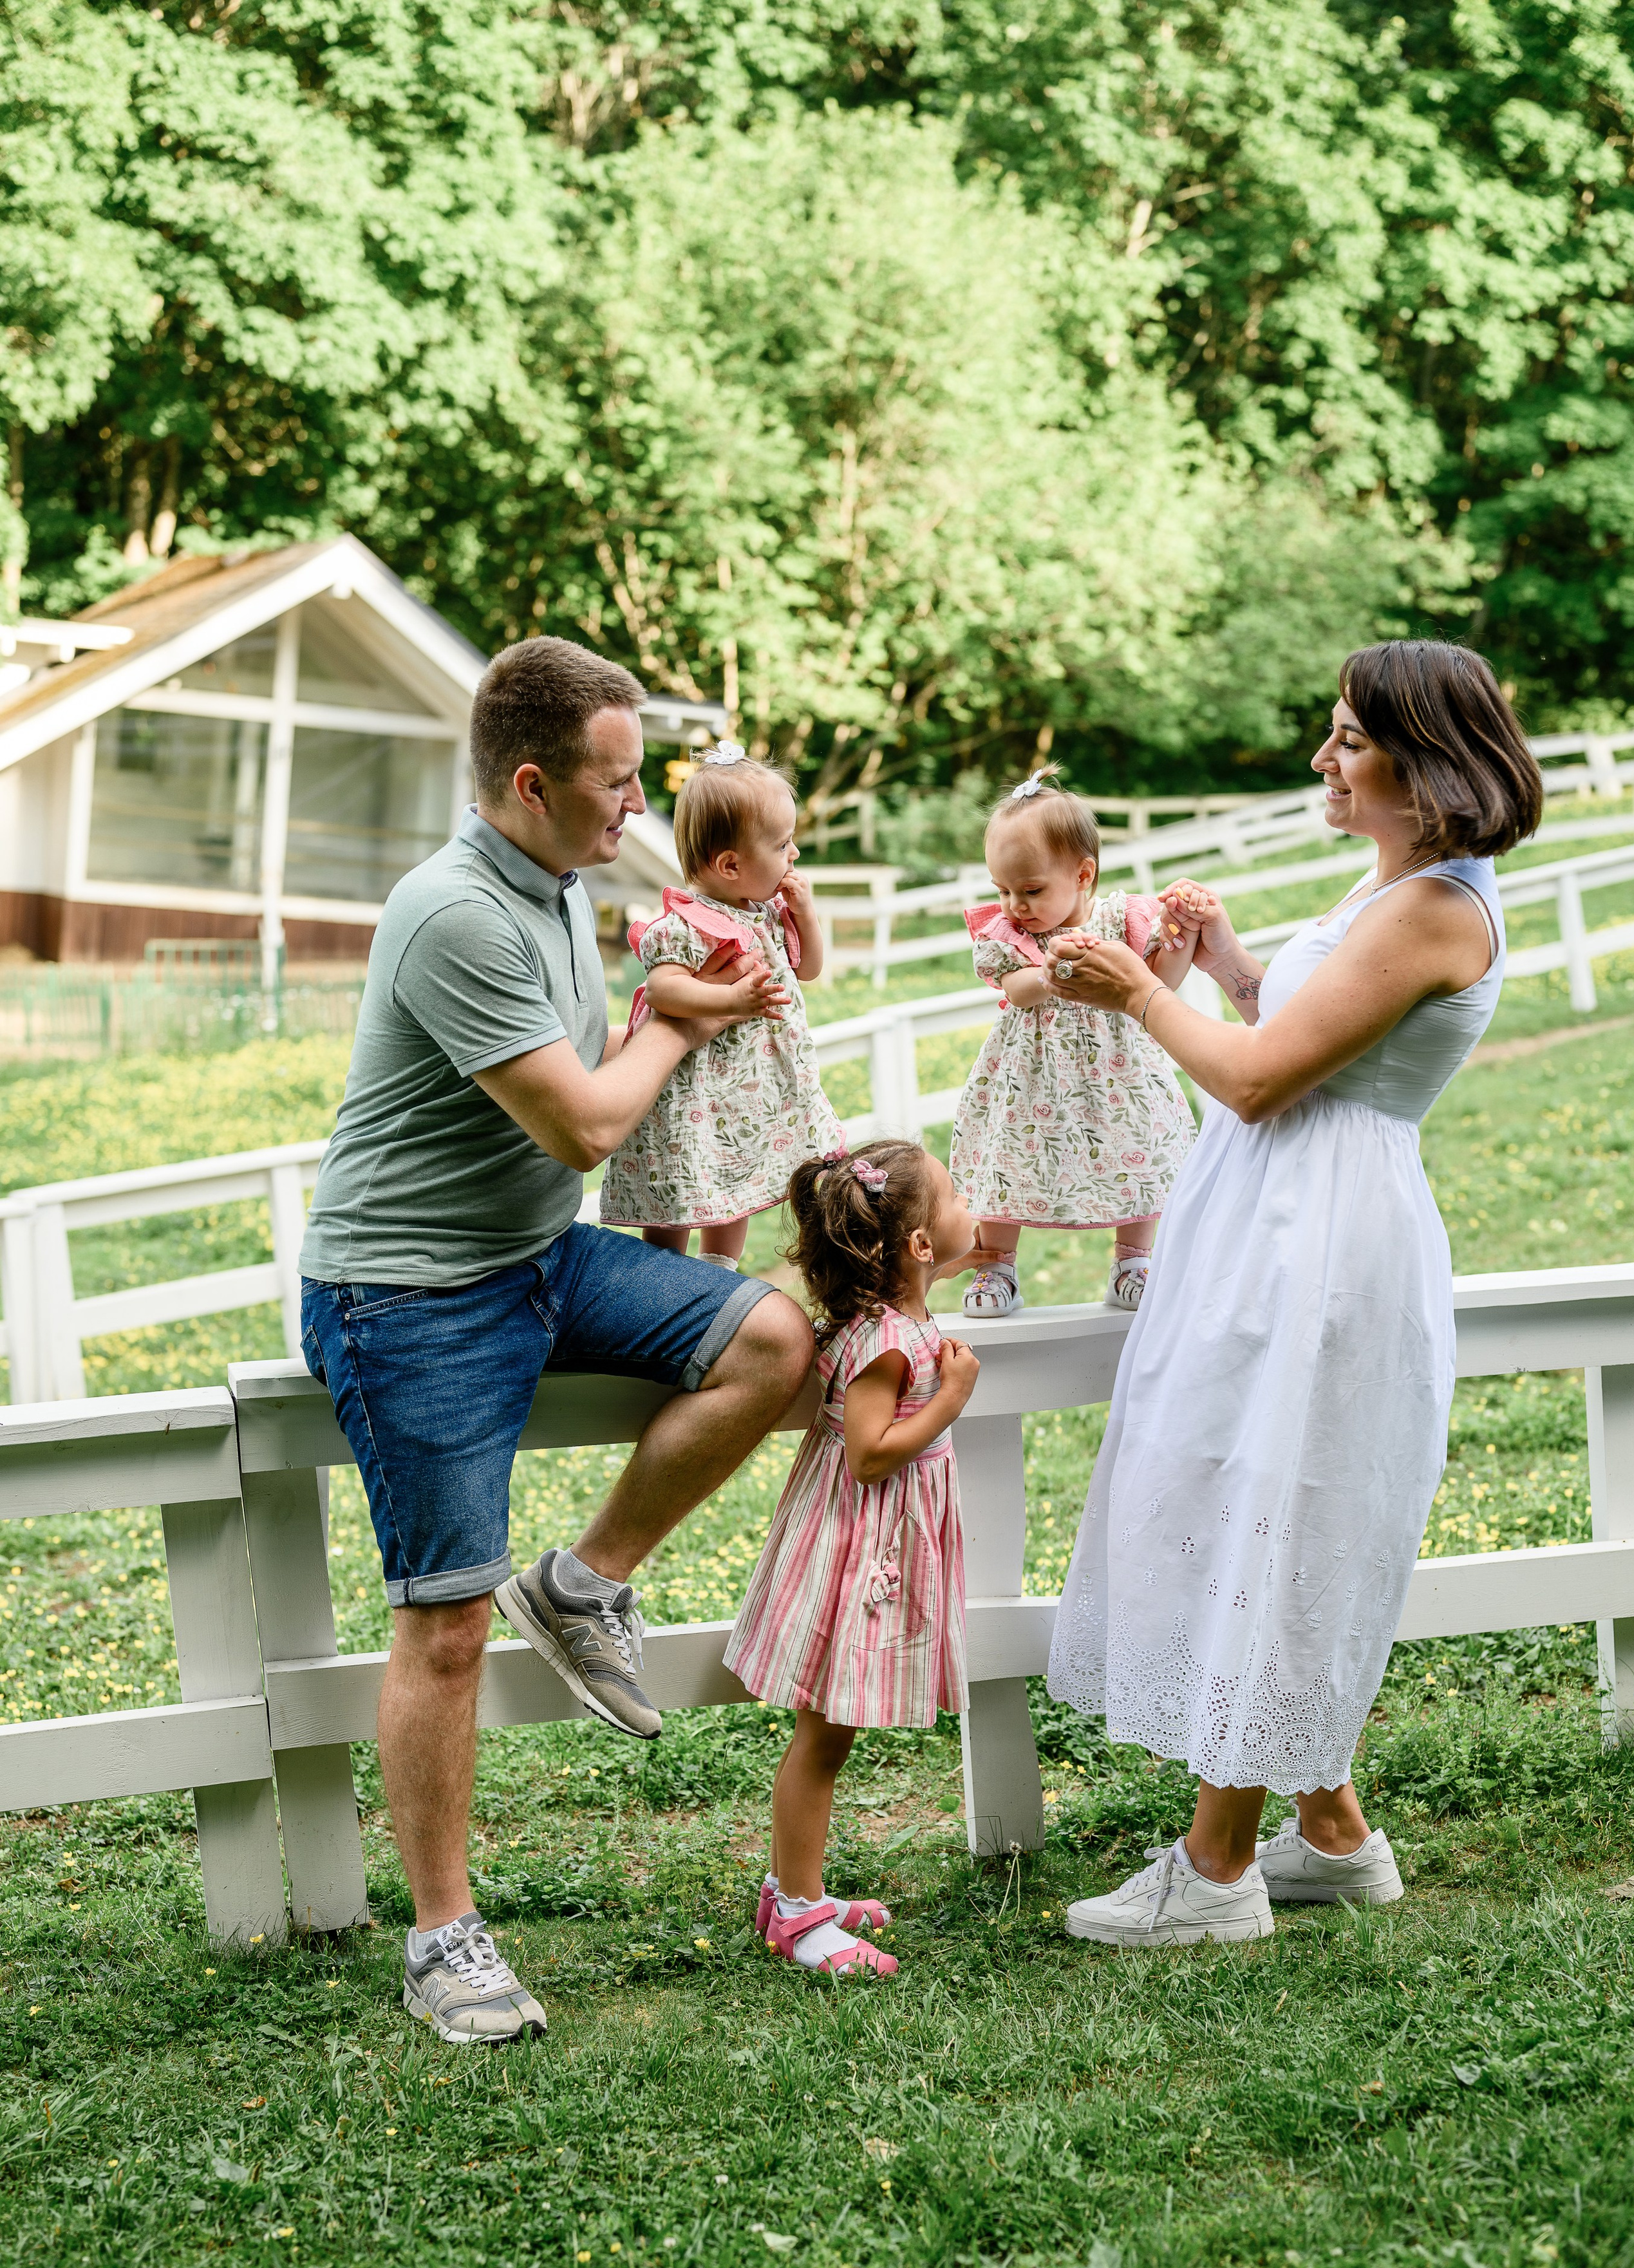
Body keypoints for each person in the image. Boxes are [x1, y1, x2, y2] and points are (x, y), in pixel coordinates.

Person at [298, 637, 816, 2041]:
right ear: (530, 785)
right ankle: (443, 1938)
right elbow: (587, 1120)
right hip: (404, 1294)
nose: (637, 809)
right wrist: (662, 1013)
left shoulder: (557, 882)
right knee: (446, 1622)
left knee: (777, 1343)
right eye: (616, 783)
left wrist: (726, 972)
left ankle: (585, 1583)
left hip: (537, 1258)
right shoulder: (453, 911)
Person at [1042, 639, 1540, 1947]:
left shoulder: (1438, 908)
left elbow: (1261, 1082)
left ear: (1420, 763)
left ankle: (1214, 1876)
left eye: (1345, 740)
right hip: (1273, 1218)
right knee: (1246, 1490)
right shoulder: (1392, 890)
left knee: (1282, 1505)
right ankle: (1329, 1835)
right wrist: (1224, 967)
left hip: (1324, 1239)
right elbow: (1292, 1033)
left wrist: (1139, 989)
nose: (1322, 759)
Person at [722, 1141, 984, 1973]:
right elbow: (871, 1454)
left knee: (827, 1733)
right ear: (919, 1246)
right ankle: (797, 1915)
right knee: (825, 1735)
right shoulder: (890, 1341)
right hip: (854, 1560)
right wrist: (949, 1401)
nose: (965, 1199)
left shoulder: (890, 1326)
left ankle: (792, 1893)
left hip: (865, 1549)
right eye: (951, 1193)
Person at [950, 768, 1199, 1320]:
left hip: (1119, 1069)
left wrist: (1182, 934)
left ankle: (1133, 1261)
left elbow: (1162, 978)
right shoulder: (1010, 934)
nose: (1015, 903)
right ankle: (998, 1266)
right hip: (1030, 1074)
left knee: (1138, 1149)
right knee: (1009, 1158)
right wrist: (1052, 970)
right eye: (1003, 890)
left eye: (1031, 890)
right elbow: (1015, 989)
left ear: (1082, 873)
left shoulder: (1121, 918)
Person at [599, 740, 843, 1262]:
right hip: (696, 1093)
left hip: (750, 1094)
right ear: (730, 864)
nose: (793, 855)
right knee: (685, 1183)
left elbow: (811, 969)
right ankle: (663, 1274)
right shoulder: (687, 924)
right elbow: (666, 989)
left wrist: (807, 916)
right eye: (782, 846)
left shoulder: (769, 914)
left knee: (734, 1193)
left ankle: (720, 1271)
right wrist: (730, 997)